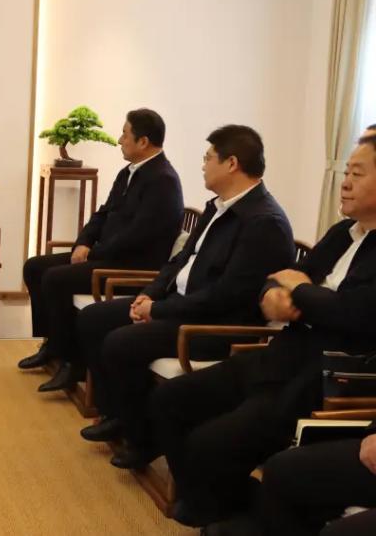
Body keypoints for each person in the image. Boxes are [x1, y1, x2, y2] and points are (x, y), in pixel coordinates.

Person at [150, 132, 376, 529]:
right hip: (281, 352)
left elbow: (352, 312)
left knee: (211, 442)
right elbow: (280, 278)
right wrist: (275, 292)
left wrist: (300, 291)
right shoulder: (343, 233)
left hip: (324, 376)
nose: (345, 182)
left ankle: (225, 512)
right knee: (171, 399)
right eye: (345, 172)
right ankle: (218, 503)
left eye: (357, 174)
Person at [74, 124, 294, 471]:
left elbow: (225, 297)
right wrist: (148, 295)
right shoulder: (217, 207)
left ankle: (143, 439)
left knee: (120, 343)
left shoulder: (263, 222)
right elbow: (179, 260)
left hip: (215, 326)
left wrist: (158, 310)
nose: (203, 165)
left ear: (232, 163)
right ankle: (119, 413)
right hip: (180, 306)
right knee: (94, 319)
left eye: (208, 158)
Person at [17, 109, 184, 392]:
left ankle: (73, 363)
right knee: (35, 267)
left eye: (125, 134)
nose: (120, 140)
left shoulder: (163, 180)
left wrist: (93, 253)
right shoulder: (128, 172)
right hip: (107, 255)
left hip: (133, 266)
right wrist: (83, 242)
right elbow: (103, 213)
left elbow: (138, 235)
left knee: (56, 278)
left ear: (143, 141)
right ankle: (52, 345)